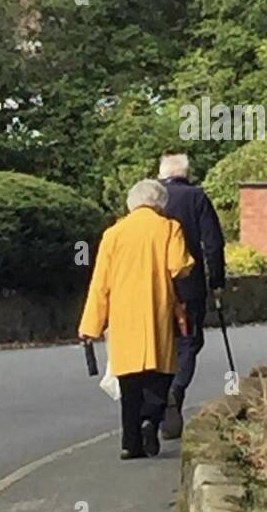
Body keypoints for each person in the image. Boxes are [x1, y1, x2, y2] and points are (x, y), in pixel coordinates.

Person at [78, 178, 194, 459]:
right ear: (160, 203)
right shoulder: (169, 228)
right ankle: (150, 421)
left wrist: (90, 325)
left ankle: (130, 443)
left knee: (129, 383)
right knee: (160, 375)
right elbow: (179, 266)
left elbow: (100, 284)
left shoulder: (113, 234)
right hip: (157, 310)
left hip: (123, 315)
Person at [157, 152, 226, 439]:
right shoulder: (197, 197)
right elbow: (213, 242)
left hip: (157, 284)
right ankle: (176, 389)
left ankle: (161, 402)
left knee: (162, 343)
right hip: (189, 284)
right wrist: (217, 280)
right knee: (189, 341)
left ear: (162, 174)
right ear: (186, 173)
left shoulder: (152, 201)